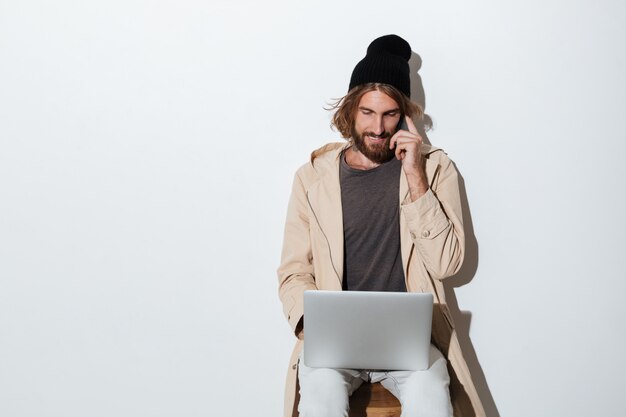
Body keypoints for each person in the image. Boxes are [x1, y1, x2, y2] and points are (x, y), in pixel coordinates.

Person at [277, 35, 485, 417]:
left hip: (410, 345)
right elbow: (293, 270)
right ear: (350, 111)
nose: (378, 127)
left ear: (406, 115)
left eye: (390, 114)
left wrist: (415, 176)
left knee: (432, 398)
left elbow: (448, 265)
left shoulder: (436, 170)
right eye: (368, 113)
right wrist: (311, 326)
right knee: (320, 397)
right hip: (333, 345)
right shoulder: (312, 178)